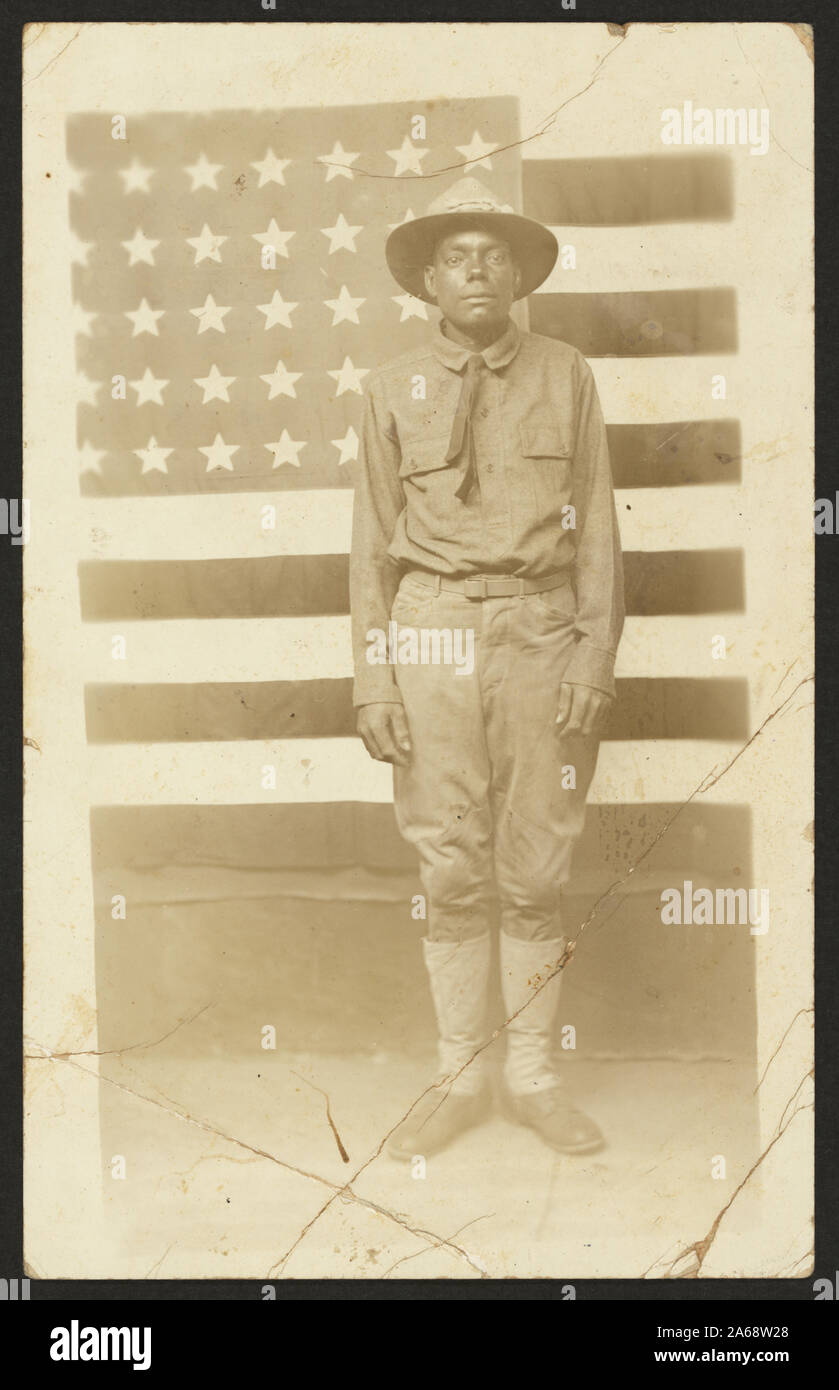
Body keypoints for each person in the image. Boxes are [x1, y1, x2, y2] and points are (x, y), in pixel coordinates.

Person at [350, 177, 625, 1159]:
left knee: (534, 865)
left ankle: (535, 1078)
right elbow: (369, 545)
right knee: (452, 863)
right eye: (455, 256)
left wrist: (592, 652)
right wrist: (375, 677)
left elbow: (593, 524)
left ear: (517, 275)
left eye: (492, 253)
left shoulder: (565, 373)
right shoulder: (387, 388)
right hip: (426, 628)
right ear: (427, 279)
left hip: (540, 629)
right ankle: (462, 1076)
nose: (475, 268)